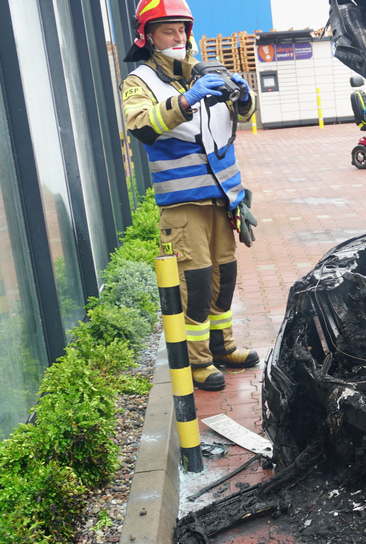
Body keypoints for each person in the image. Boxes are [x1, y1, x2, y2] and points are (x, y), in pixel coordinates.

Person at [120, 0, 259, 392]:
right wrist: (186, 100)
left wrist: (244, 97)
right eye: (168, 30)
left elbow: (241, 116)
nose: (178, 37)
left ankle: (222, 348)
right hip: (183, 204)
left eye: (182, 29)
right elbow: (143, 126)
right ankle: (197, 363)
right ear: (148, 37)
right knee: (194, 284)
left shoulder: (206, 68)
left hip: (222, 198)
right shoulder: (139, 82)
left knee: (223, 277)